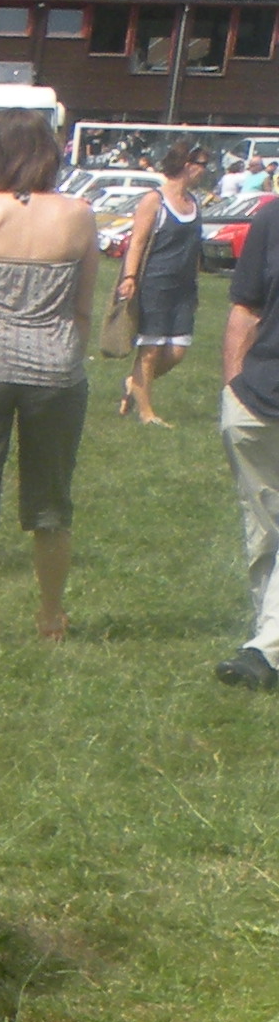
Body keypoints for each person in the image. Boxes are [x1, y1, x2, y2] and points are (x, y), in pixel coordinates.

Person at [0, 110, 95, 652]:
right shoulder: (79, 214)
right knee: (51, 501)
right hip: (54, 365)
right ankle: (51, 615)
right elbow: (83, 306)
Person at [215, 174, 279, 688]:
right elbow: (245, 307)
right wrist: (232, 388)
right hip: (257, 405)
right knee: (262, 535)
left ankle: (264, 651)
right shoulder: (272, 218)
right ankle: (268, 645)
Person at [119, 140, 209, 427]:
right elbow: (137, 242)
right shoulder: (154, 201)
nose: (205, 171)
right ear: (186, 165)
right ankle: (147, 414)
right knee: (151, 350)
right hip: (155, 284)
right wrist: (130, 278)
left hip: (184, 288)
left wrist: (195, 282)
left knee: (177, 351)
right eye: (202, 165)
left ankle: (133, 384)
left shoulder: (193, 202)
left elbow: (194, 248)